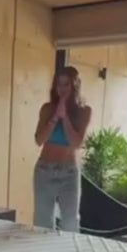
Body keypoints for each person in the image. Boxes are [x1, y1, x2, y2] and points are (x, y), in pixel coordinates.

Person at [33, 66, 92, 231]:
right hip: (44, 171)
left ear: (75, 86)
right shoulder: (47, 109)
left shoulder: (84, 111)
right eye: (59, 84)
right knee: (42, 222)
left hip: (69, 172)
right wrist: (55, 117)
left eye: (66, 84)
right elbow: (39, 140)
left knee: (70, 222)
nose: (62, 89)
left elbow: (76, 143)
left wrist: (65, 117)